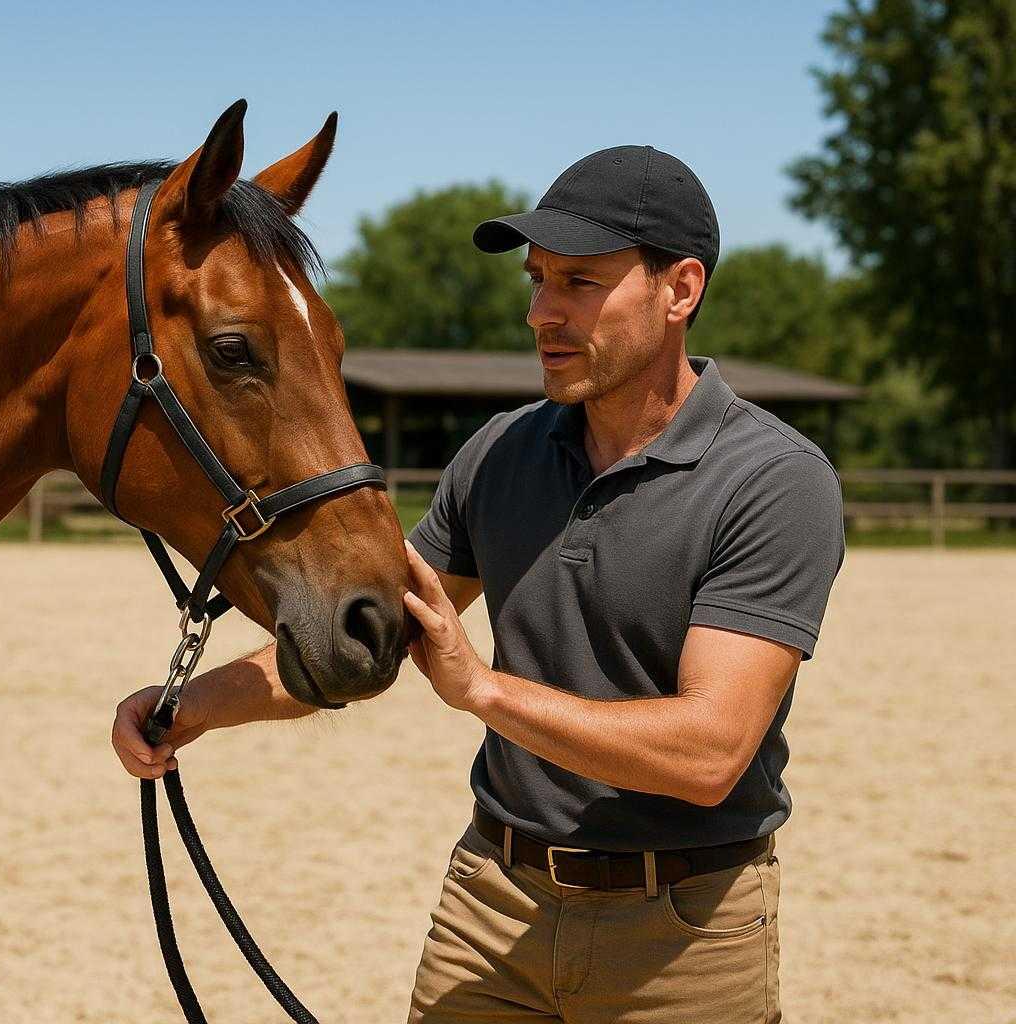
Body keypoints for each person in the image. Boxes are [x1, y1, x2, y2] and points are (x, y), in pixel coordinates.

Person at [112, 145, 844, 1023]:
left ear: (680, 290)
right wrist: (187, 708)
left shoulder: (773, 480)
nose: (542, 313)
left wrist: (483, 691)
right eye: (537, 280)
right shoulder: (500, 454)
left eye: (580, 282)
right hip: (492, 906)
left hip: (683, 937)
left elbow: (710, 752)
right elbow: (376, 633)